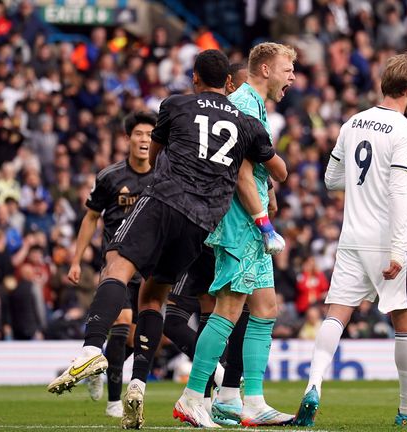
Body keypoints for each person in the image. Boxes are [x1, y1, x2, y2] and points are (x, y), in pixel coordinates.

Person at [47, 49, 279, 431]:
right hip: (203, 223)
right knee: (155, 295)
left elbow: (155, 159)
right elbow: (272, 167)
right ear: (231, 83)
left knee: (117, 266)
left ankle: (91, 348)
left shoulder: (175, 104)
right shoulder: (249, 123)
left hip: (165, 200)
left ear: (194, 78)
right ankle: (139, 383)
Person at [292, 53, 407, 427]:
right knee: (406, 323)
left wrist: (363, 185)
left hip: (352, 237)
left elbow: (331, 180)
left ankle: (313, 385)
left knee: (336, 314)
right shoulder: (406, 131)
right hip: (391, 240)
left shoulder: (352, 123)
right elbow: (398, 192)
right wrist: (397, 248)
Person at [173, 42, 294, 428]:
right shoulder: (242, 104)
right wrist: (262, 219)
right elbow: (239, 171)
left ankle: (246, 399)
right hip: (241, 222)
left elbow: (253, 167)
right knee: (227, 308)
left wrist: (269, 192)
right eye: (286, 68)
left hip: (252, 217)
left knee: (265, 308)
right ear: (264, 69)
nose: (291, 76)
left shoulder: (254, 104)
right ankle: (192, 397)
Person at [67, 111, 156, 417]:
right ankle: (114, 403)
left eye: (149, 135)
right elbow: (91, 217)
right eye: (139, 134)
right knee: (122, 321)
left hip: (148, 266)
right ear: (127, 138)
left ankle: (98, 367)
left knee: (132, 335)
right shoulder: (110, 177)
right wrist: (76, 260)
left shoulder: (162, 175)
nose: (144, 140)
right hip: (117, 262)